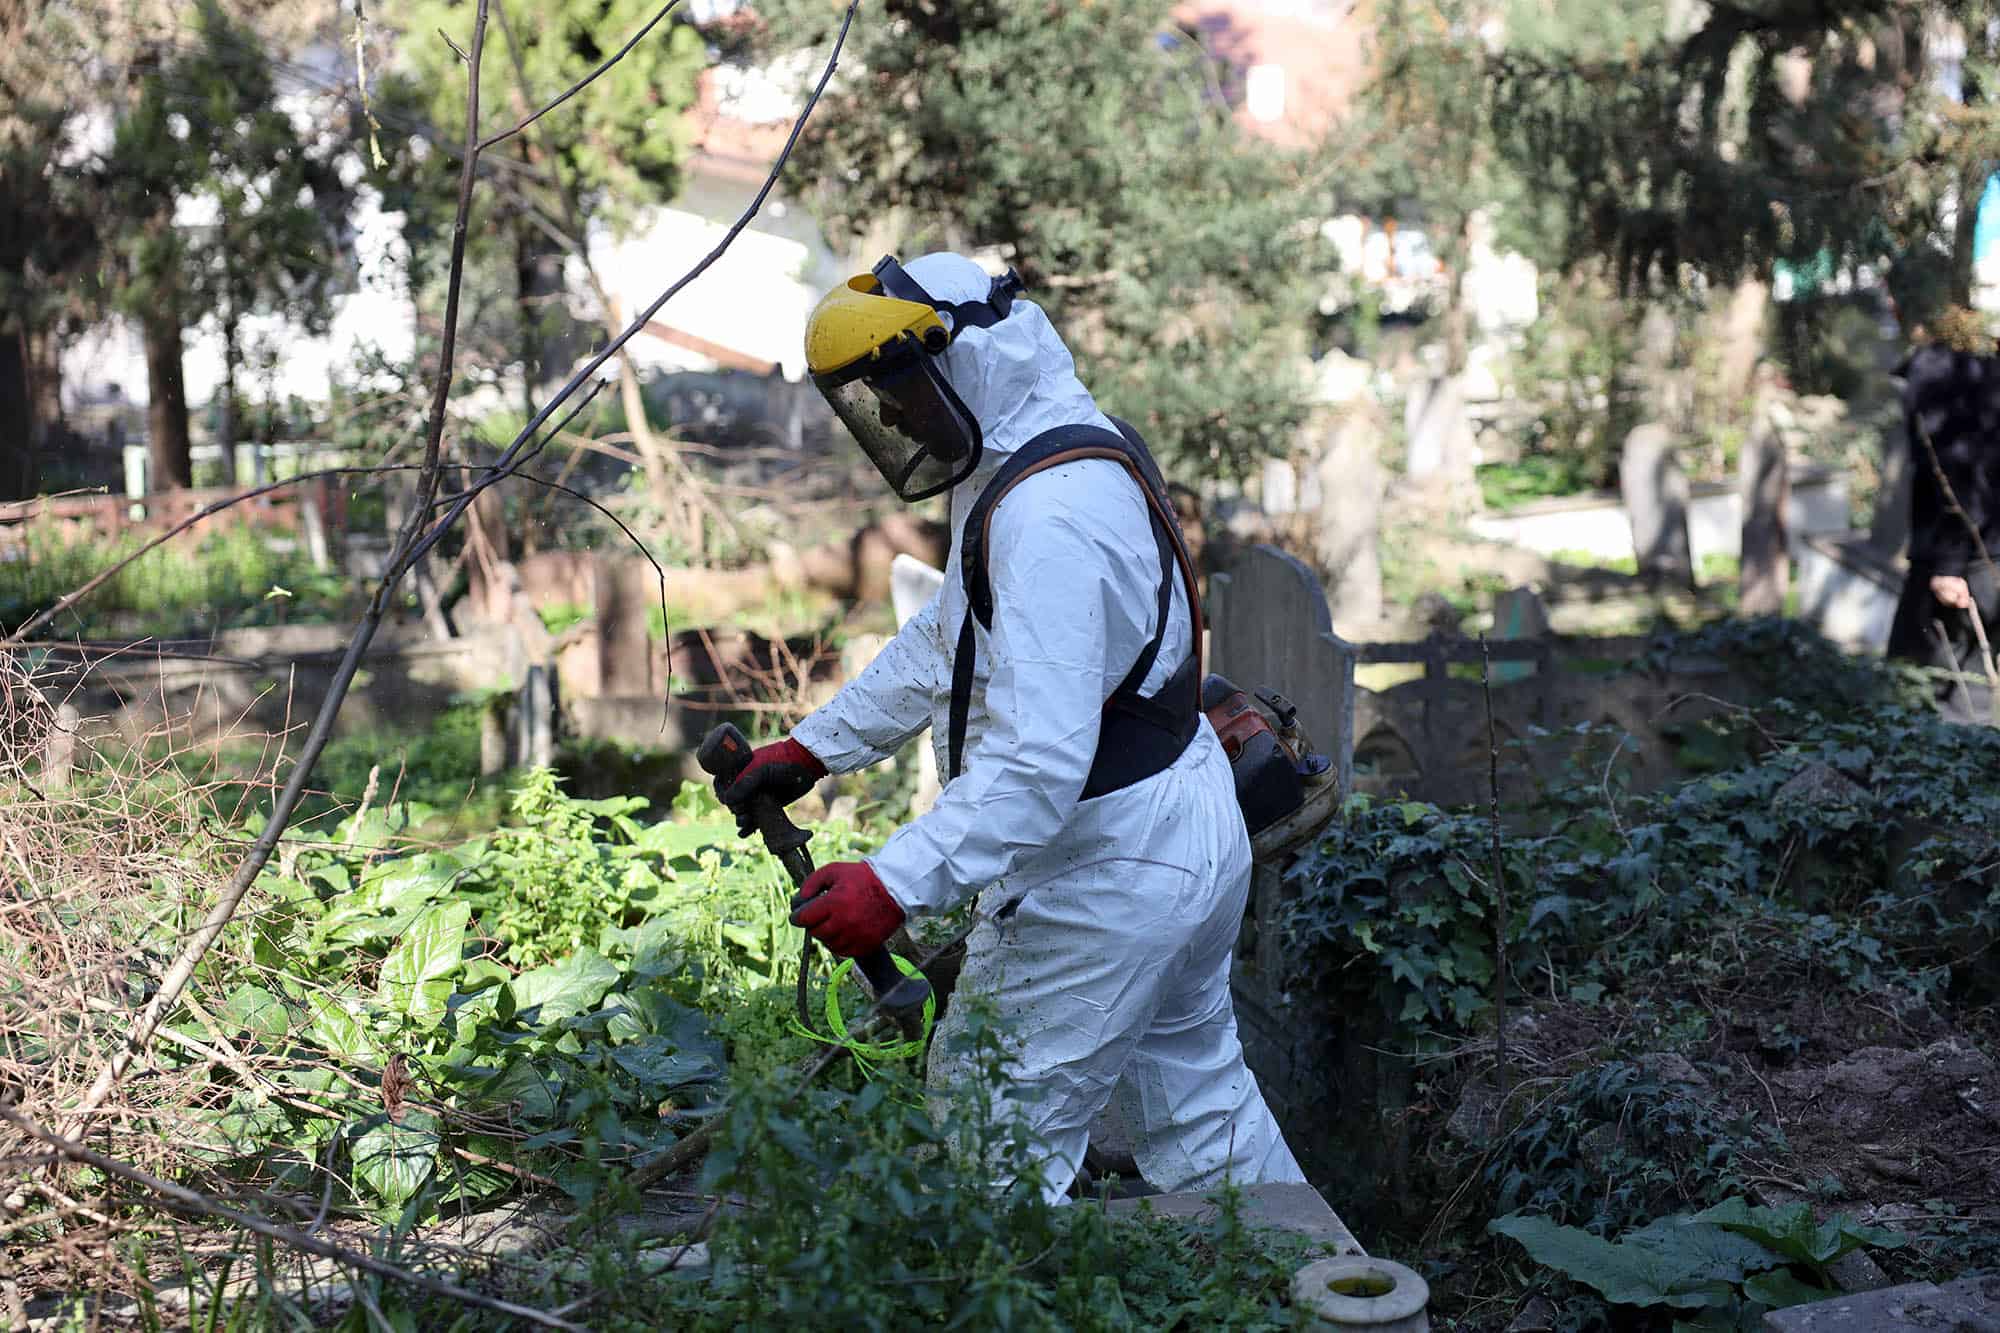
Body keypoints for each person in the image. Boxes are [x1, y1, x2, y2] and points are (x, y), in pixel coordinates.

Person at [716, 251, 1306, 1201]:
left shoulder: (1050, 514)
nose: (898, 413)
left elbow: (1037, 764)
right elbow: (954, 633)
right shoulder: (1041, 449)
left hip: (1109, 868)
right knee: (1205, 1122)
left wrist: (892, 882)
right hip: (1169, 828)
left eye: (902, 383)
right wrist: (817, 746)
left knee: (991, 1131)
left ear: (969, 358)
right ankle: (1326, 1292)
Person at [1885, 338, 2000, 715]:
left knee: (1919, 695)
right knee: (1971, 698)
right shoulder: (1985, 358)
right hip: (1987, 554)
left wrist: (1949, 565)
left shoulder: (1941, 364)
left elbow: (1955, 464)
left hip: (1964, 562)